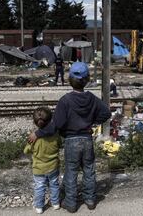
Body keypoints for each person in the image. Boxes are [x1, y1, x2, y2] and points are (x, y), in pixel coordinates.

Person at [28, 62, 111, 213]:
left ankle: (71, 203)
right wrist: (92, 122)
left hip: (71, 141)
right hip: (87, 140)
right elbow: (106, 113)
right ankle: (90, 199)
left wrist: (38, 133)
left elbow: (56, 125)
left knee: (71, 172)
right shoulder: (92, 98)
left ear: (69, 79)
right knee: (89, 169)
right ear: (87, 80)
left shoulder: (65, 100)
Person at [24, 107, 62, 214]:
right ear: (50, 121)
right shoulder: (55, 135)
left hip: (38, 169)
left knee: (40, 187)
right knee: (54, 185)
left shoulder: (33, 138)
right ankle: (55, 203)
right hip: (53, 166)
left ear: (35, 122)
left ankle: (39, 207)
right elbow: (60, 144)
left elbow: (26, 150)